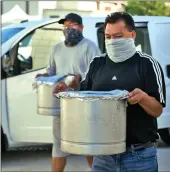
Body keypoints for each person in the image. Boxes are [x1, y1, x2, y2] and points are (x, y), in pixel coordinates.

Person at [53, 12, 166, 172]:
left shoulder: (147, 64)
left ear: (132, 34)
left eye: (118, 36)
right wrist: (69, 86)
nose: (112, 41)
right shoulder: (97, 64)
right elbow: (84, 97)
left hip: (139, 156)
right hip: (103, 156)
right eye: (108, 37)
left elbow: (157, 110)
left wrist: (142, 98)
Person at [36, 13, 101, 172]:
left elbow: (98, 75)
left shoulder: (89, 47)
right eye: (65, 26)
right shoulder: (56, 49)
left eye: (71, 25)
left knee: (88, 144)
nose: (67, 29)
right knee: (58, 145)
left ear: (81, 27)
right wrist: (44, 77)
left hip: (84, 106)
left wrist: (77, 80)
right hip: (61, 106)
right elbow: (51, 72)